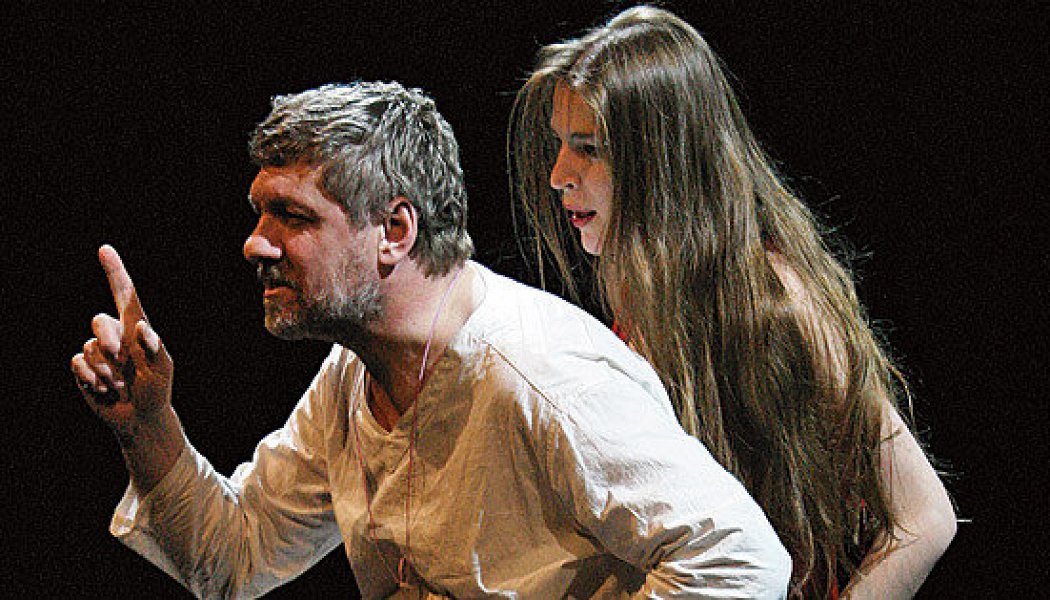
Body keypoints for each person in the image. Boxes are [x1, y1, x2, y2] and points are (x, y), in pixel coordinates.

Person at [71, 81, 791, 598]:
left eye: (292, 216)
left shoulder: (542, 372)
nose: (255, 244)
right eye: (260, 214)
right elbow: (235, 558)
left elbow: (739, 561)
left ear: (395, 231)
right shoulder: (353, 377)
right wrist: (148, 425)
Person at [509, 6, 956, 599]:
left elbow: (924, 518)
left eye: (588, 148)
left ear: (661, 160)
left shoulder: (775, 300)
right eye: (560, 144)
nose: (558, 174)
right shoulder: (635, 293)